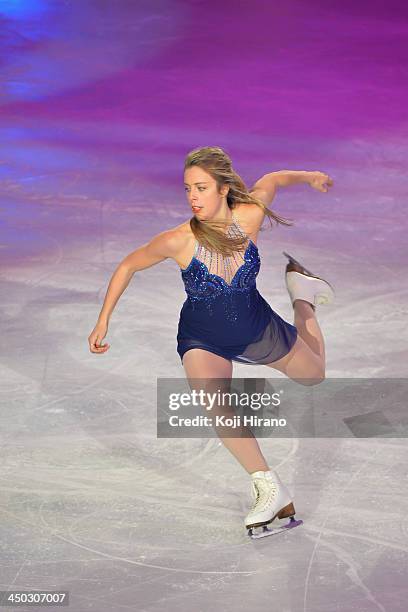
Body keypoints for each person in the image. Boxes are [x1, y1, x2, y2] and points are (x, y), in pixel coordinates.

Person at [88, 146, 334, 538]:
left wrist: (309, 175)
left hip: (257, 329)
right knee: (217, 404)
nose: (193, 198)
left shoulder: (249, 217)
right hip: (202, 338)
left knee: (315, 375)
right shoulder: (178, 240)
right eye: (188, 190)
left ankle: (302, 298)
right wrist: (103, 321)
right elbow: (129, 263)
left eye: (201, 188)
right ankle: (267, 486)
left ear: (223, 188)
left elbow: (271, 180)